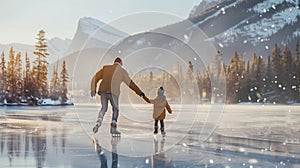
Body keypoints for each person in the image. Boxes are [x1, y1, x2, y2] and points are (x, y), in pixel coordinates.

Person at [90, 57, 145, 135]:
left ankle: (99, 121)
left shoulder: (105, 68)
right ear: (121, 63)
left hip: (103, 91)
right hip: (113, 92)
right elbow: (131, 84)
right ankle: (113, 127)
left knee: (104, 108)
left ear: (114, 62)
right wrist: (140, 93)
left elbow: (95, 78)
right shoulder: (122, 71)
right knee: (115, 109)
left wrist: (93, 89)